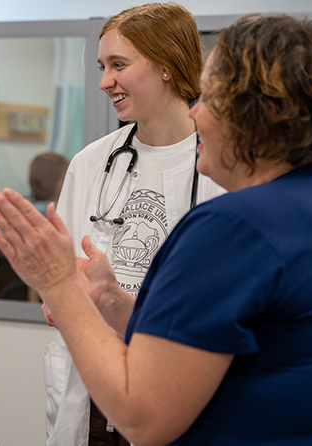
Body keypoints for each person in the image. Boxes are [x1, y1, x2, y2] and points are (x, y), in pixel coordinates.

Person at [0, 13, 312, 446]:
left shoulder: (237, 228)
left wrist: (57, 281)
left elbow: (144, 418)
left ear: (263, 114)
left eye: (211, 97)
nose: (195, 110)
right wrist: (109, 300)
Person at [42, 4, 224, 445]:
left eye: (118, 65)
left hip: (178, 383)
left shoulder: (222, 164)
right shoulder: (91, 163)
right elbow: (61, 277)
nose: (105, 81)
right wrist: (56, 291)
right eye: (103, 66)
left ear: (165, 65)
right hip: (95, 385)